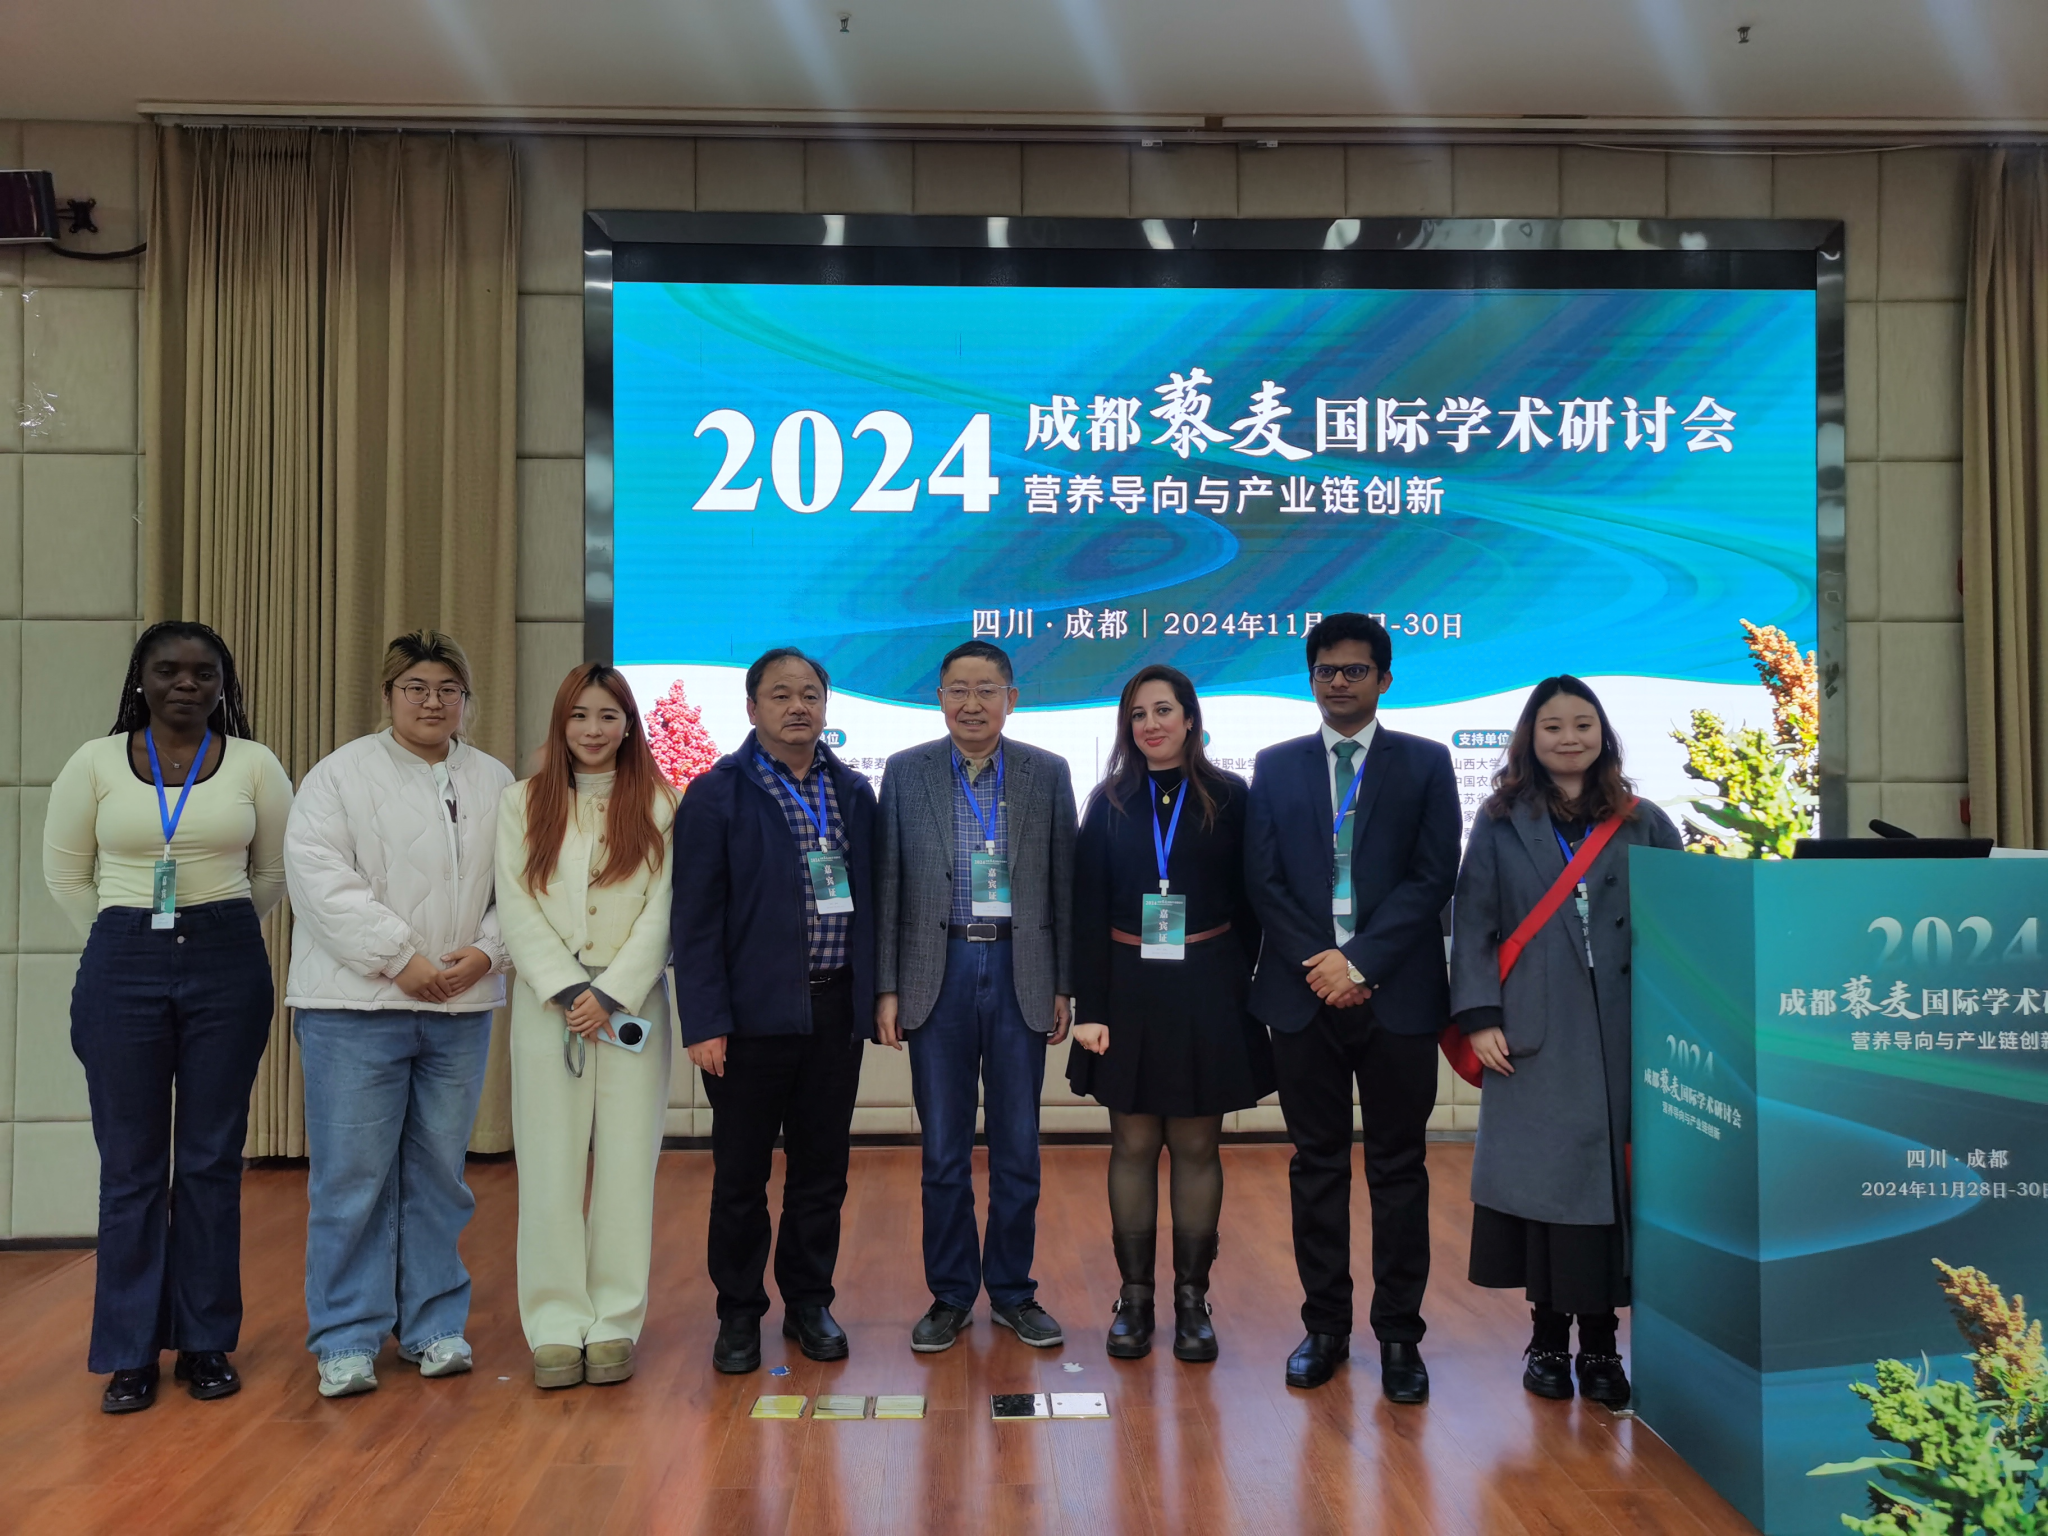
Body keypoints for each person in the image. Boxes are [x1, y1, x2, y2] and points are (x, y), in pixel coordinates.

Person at [44, 622, 294, 1413]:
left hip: (228, 956)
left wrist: (212, 929)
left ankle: (205, 1341)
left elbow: (272, 872)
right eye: (168, 670)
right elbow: (66, 875)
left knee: (211, 1160)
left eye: (203, 673)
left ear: (224, 684)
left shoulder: (254, 764)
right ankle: (129, 1353)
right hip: (121, 959)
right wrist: (126, 935)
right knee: (132, 1168)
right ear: (140, 679)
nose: (186, 684)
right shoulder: (93, 762)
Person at [284, 630, 513, 1399]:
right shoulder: (339, 775)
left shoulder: (494, 780)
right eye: (416, 687)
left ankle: (433, 1327)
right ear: (388, 695)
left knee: (440, 1177)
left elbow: (522, 885)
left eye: (448, 688)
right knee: (351, 1181)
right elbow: (319, 881)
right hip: (355, 1007)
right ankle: (346, 1339)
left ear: (466, 700)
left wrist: (486, 951)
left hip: (460, 1008)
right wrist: (400, 959)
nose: (432, 702)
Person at [1245, 611, 1460, 1398]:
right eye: (1326, 670)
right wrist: (1324, 965)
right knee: (1317, 1166)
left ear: (1385, 679)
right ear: (1311, 679)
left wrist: (1360, 961)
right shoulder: (1276, 765)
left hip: (1396, 994)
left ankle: (1400, 1337)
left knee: (1400, 1168)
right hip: (1304, 996)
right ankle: (1325, 1327)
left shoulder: (1425, 762)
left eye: (1355, 670)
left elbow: (1435, 875)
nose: (1339, 682)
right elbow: (1262, 878)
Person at [1450, 676, 1681, 1405]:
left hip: (1625, 1030)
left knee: (1610, 1192)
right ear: (1531, 737)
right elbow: (1474, 921)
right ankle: (1548, 1338)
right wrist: (1479, 1015)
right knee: (1545, 1191)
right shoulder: (1499, 820)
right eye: (1553, 726)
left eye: (1583, 724)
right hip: (1531, 1031)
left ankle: (1603, 1346)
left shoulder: (1645, 822)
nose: (1570, 738)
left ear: (1604, 734)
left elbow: (1684, 924)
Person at [671, 648, 878, 1374]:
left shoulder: (853, 792)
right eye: (781, 694)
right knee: (740, 1177)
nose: (798, 706)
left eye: (810, 694)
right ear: (752, 707)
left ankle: (809, 1302)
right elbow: (694, 920)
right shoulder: (715, 794)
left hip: (833, 1015)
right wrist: (705, 1021)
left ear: (826, 706)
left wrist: (872, 1000)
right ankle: (738, 1313)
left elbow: (873, 904)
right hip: (747, 1023)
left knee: (822, 1171)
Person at [876, 640, 1077, 1354]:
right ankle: (952, 1294)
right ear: (939, 698)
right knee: (943, 1150)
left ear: (1010, 699)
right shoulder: (905, 772)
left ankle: (1015, 1292)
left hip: (1023, 968)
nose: (971, 703)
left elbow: (1065, 882)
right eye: (958, 689)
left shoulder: (1047, 772)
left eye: (986, 689)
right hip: (938, 969)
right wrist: (888, 987)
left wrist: (1065, 983)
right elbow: (889, 884)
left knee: (1019, 1145)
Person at [1068, 665, 1271, 1363]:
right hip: (1125, 988)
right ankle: (1134, 1299)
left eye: (1163, 710)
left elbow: (1254, 902)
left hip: (1208, 988)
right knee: (1131, 1144)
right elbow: (1087, 908)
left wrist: (1234, 980)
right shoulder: (1108, 803)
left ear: (1190, 718)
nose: (1150, 724)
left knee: (1195, 1146)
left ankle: (1191, 1301)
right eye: (1137, 714)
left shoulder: (1232, 797)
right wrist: (1090, 1005)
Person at [496, 664, 678, 1389]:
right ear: (560, 723)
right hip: (550, 1007)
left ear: (629, 724)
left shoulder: (662, 803)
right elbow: (513, 903)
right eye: (579, 716)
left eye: (608, 716)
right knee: (549, 1166)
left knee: (628, 1167)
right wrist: (571, 989)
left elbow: (665, 911)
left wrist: (611, 993)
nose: (593, 730)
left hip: (632, 1007)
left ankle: (613, 1322)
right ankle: (553, 1321)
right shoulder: (521, 802)